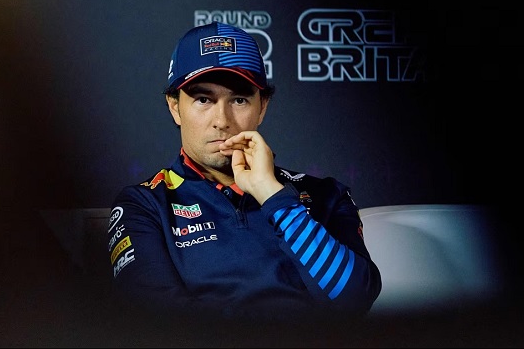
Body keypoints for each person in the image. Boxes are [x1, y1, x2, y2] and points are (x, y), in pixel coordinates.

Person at [106, 22, 382, 338]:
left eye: (239, 100)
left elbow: (355, 301)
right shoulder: (144, 204)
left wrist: (273, 196)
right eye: (203, 99)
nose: (222, 121)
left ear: (262, 107)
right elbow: (158, 323)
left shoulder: (324, 194)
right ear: (175, 108)